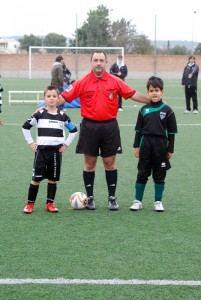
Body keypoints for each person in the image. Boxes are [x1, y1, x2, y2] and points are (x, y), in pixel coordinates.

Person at [57, 51, 150, 211]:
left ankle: (112, 198)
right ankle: (90, 198)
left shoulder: (115, 81)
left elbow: (132, 94)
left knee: (110, 163)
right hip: (89, 127)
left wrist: (152, 100)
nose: (98, 63)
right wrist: (48, 104)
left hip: (109, 127)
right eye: (95, 60)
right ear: (91, 62)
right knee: (89, 163)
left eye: (101, 60)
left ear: (106, 62)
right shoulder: (81, 82)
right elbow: (63, 98)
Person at [22, 85, 78, 214]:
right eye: (49, 96)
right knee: (36, 179)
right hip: (41, 152)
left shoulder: (63, 116)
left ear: (58, 98)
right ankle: (30, 204)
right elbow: (25, 127)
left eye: (54, 96)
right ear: (44, 98)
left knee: (53, 179)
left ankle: (50, 203)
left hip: (55, 153)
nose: (51, 99)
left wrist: (66, 144)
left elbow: (74, 130)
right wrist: (31, 143)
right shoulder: (39, 114)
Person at [130, 76, 177, 212]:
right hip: (145, 144)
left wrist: (170, 149)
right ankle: (138, 201)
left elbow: (172, 132)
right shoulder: (143, 110)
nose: (154, 93)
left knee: (159, 174)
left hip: (161, 145)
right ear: (148, 92)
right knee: (142, 172)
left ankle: (158, 201)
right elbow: (138, 130)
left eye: (157, 90)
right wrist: (136, 146)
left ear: (162, 91)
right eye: (151, 91)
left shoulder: (168, 110)